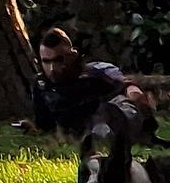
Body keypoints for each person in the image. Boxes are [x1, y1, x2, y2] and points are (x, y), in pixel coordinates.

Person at [26, 26, 155, 140]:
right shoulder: (42, 85)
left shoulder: (96, 71)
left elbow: (125, 85)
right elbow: (44, 127)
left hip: (108, 119)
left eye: (58, 60)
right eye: (46, 62)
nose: (52, 68)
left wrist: (134, 92)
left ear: (72, 55)